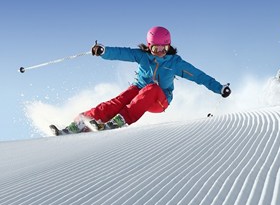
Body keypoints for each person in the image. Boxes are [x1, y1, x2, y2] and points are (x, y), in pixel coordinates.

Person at [54, 26, 231, 135]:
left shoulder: (176, 63)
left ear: (169, 46)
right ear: (149, 47)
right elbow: (122, 53)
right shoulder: (142, 56)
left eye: (164, 48)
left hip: (159, 100)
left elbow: (199, 76)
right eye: (156, 48)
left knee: (151, 88)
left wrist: (219, 88)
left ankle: (120, 120)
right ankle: (84, 120)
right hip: (138, 91)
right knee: (123, 98)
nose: (161, 51)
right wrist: (103, 51)